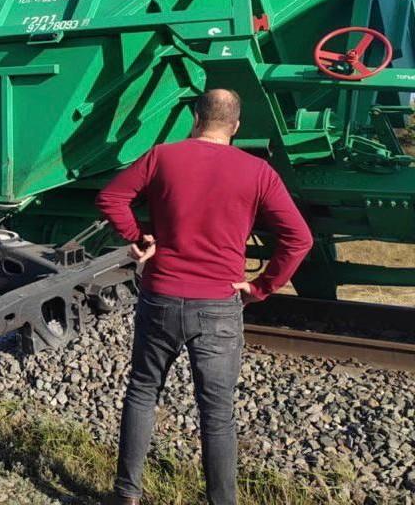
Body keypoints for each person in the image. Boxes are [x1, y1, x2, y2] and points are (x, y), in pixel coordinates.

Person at [95, 89, 313, 505]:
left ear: (195, 119)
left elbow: (111, 197)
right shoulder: (258, 171)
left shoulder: (162, 156)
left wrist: (137, 237)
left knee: (143, 391)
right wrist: (261, 286)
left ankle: (126, 495)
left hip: (160, 295)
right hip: (218, 305)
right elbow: (299, 239)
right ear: (236, 126)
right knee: (217, 414)